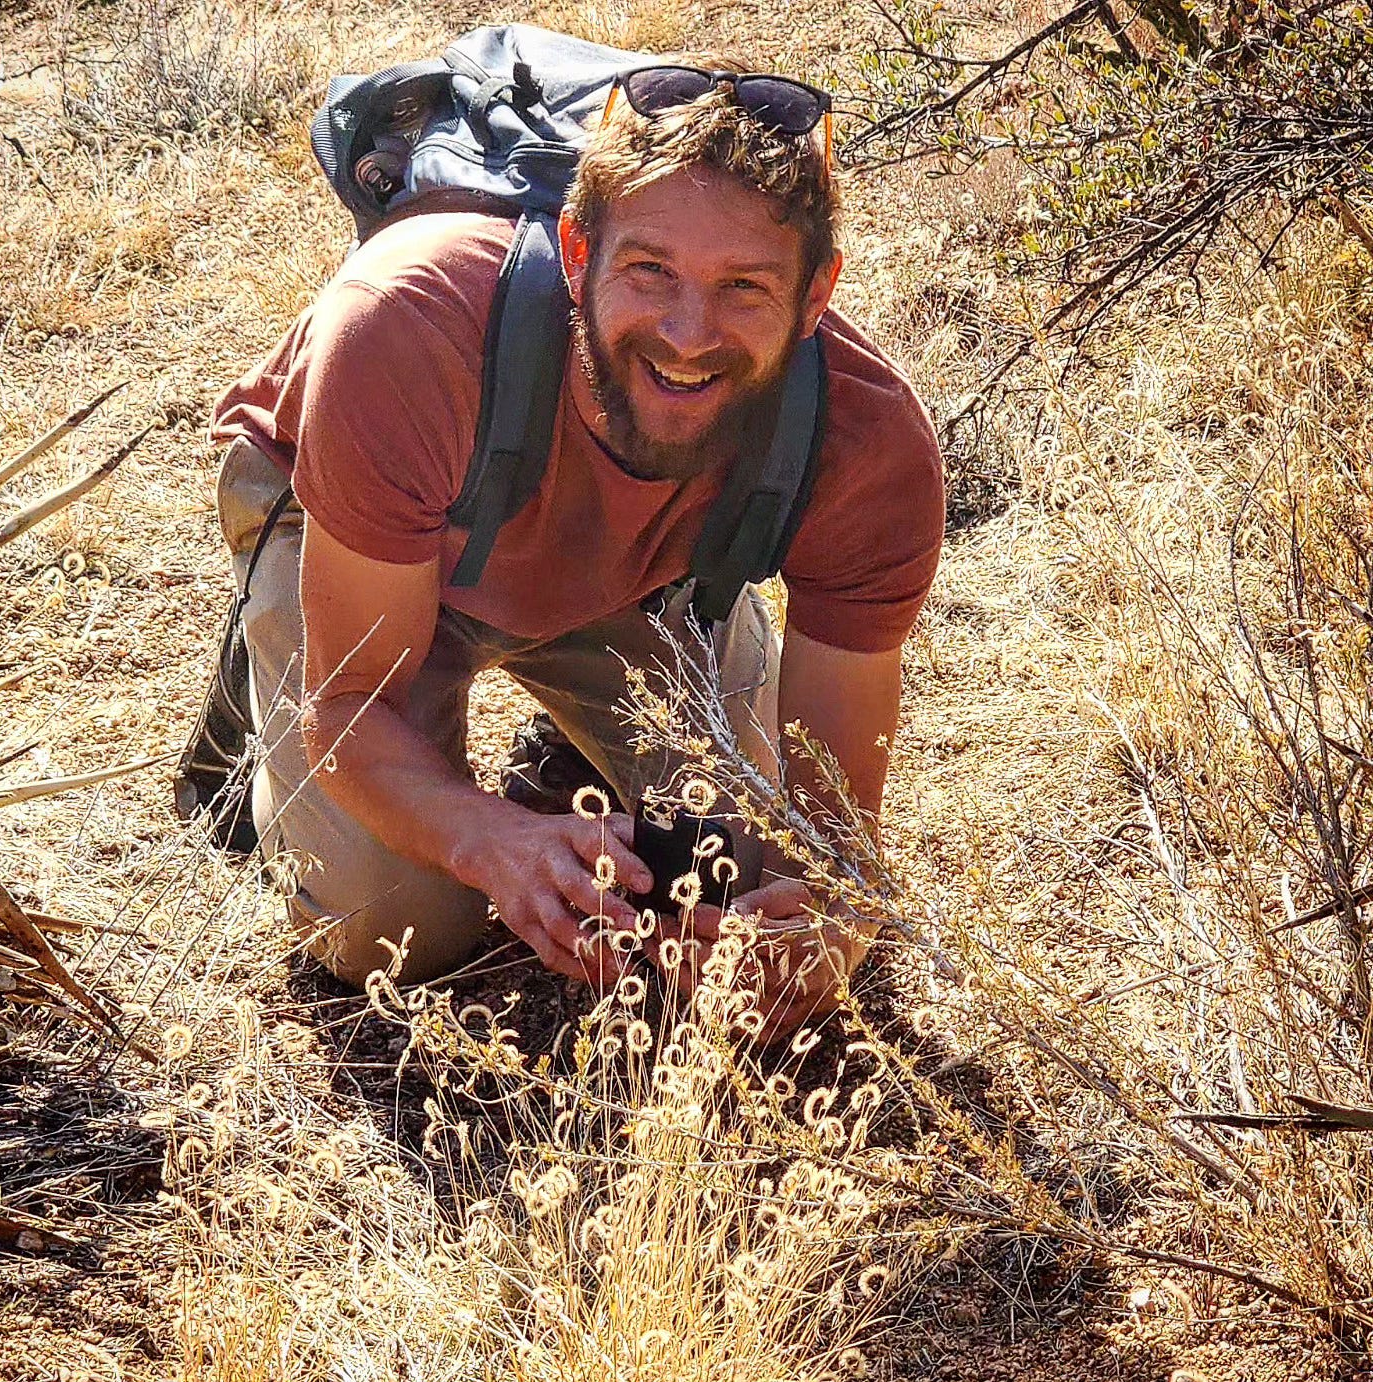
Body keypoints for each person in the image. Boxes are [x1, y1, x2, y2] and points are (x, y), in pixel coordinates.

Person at [208, 63, 944, 1040]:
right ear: (577, 249)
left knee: (734, 864)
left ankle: (563, 727)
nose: (689, 334)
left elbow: (837, 839)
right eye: (650, 273)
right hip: (376, 537)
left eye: (744, 288)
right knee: (390, 931)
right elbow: (353, 712)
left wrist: (831, 923)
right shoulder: (403, 332)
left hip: (622, 576)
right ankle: (273, 694)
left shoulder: (870, 445)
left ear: (817, 296)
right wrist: (490, 841)